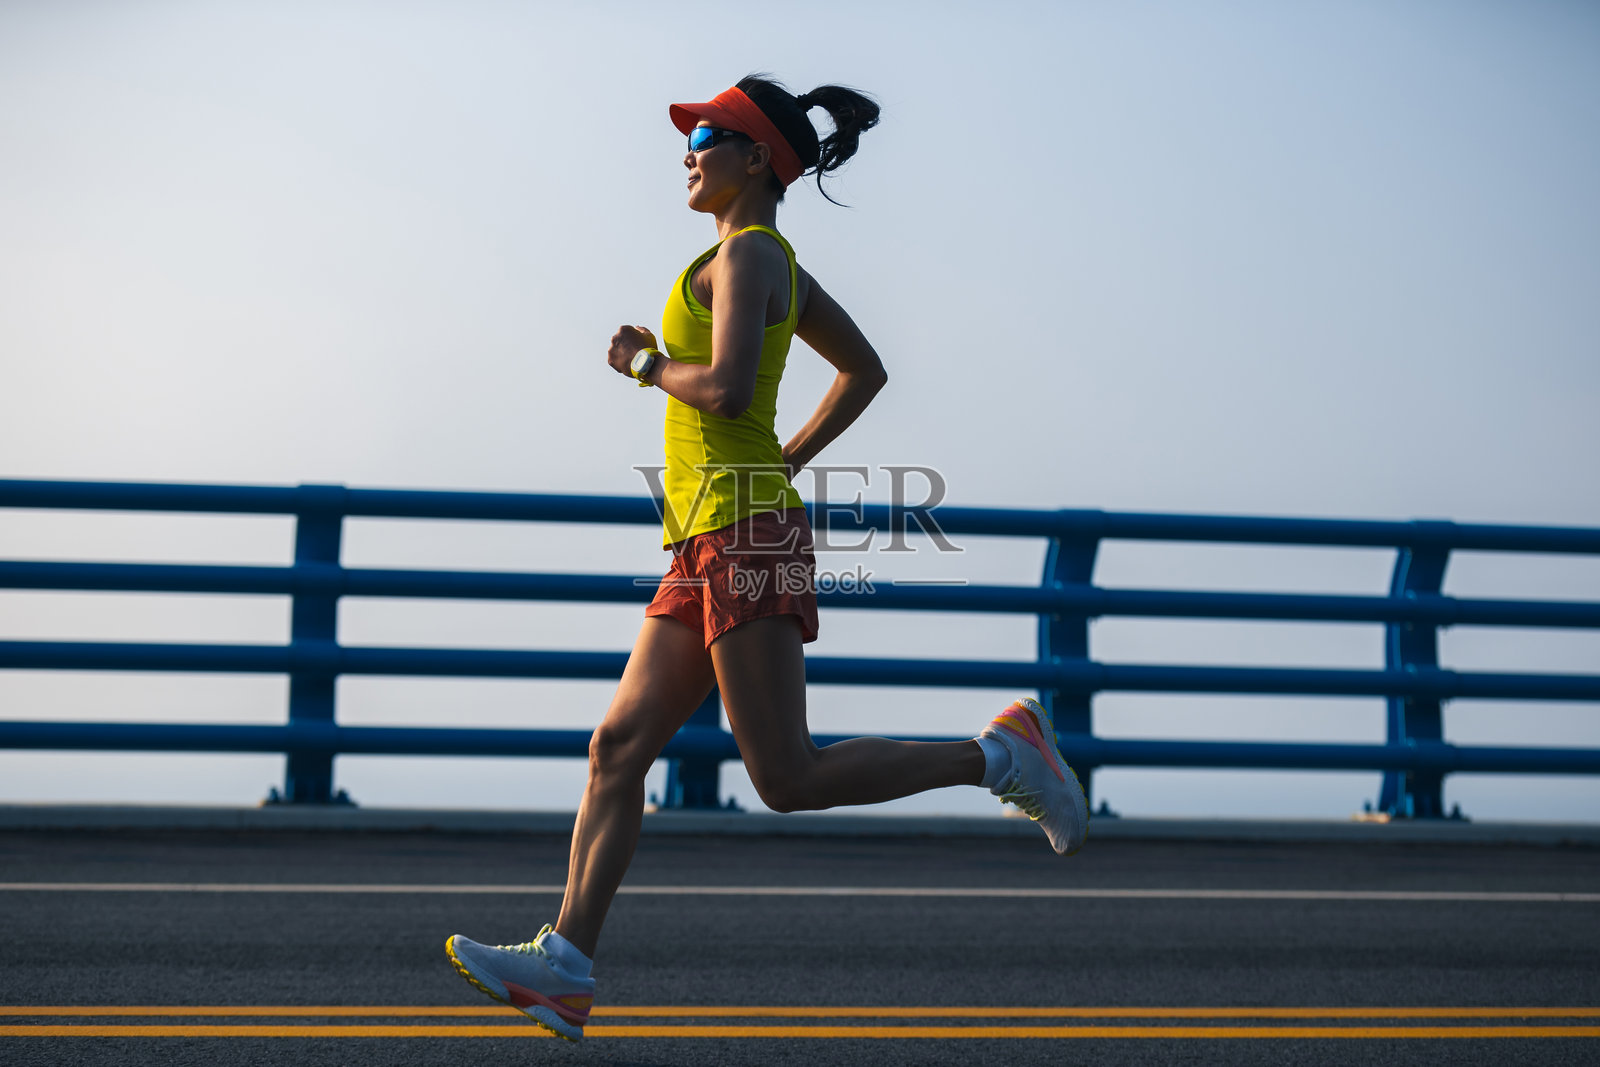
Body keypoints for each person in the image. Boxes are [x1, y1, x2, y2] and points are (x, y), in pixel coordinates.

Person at [445, 74, 1089, 1042]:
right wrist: (783, 459)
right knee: (618, 747)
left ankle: (999, 754)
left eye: (706, 134)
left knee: (783, 774)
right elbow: (863, 369)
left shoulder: (748, 254)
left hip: (742, 537)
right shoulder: (761, 256)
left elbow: (728, 387)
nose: (687, 151)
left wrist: (644, 365)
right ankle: (565, 964)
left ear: (756, 158)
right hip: (710, 533)